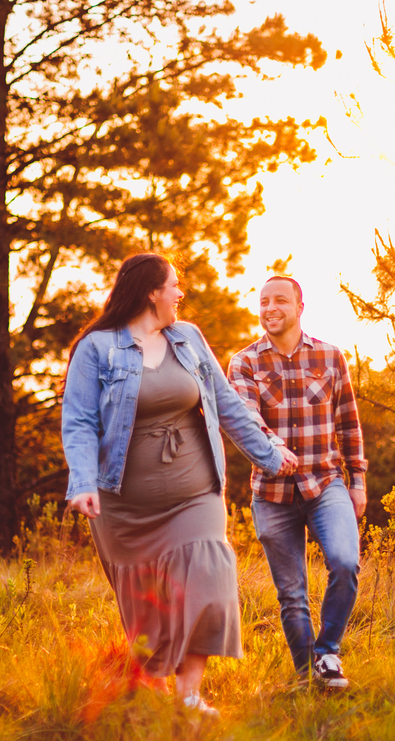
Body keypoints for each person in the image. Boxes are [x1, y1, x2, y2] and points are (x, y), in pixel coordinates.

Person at [61, 253, 298, 716]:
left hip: (195, 492)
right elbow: (80, 421)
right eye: (174, 286)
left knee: (210, 575)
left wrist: (270, 454)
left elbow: (227, 405)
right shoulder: (97, 348)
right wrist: (83, 482)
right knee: (146, 607)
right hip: (122, 503)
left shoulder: (187, 338)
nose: (180, 294)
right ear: (153, 292)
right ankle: (153, 693)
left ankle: (189, 695)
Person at [228, 275, 367, 689]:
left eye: (280, 301)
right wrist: (273, 446)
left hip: (325, 483)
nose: (270, 308)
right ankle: (307, 679)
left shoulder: (330, 356)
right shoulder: (244, 362)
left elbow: (348, 422)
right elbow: (245, 417)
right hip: (271, 493)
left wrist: (358, 480)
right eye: (264, 302)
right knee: (292, 594)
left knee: (345, 562)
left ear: (299, 307)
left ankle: (327, 654)